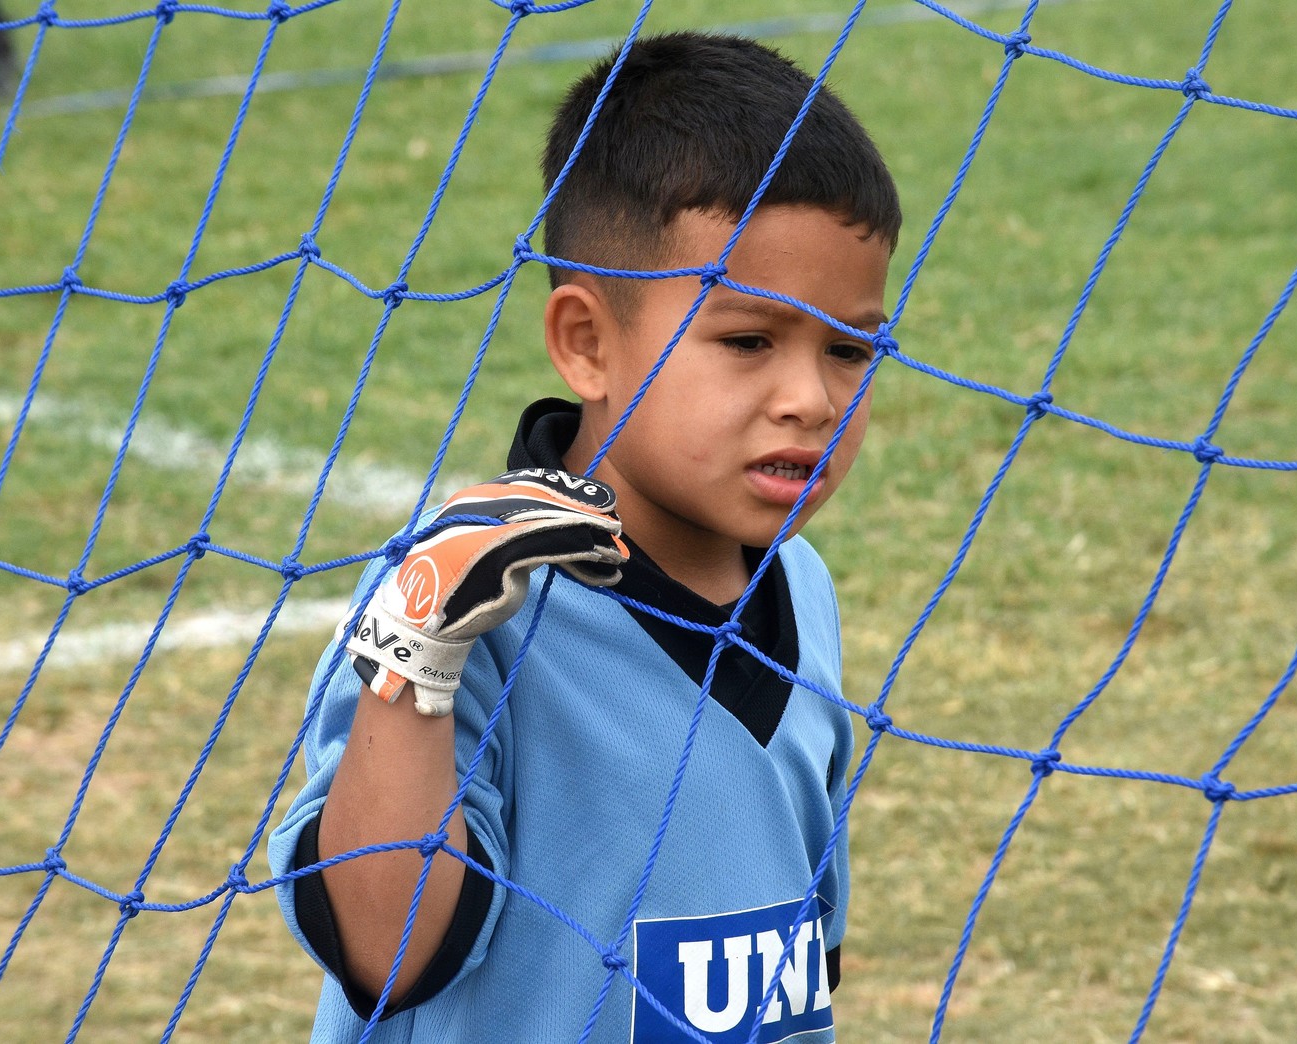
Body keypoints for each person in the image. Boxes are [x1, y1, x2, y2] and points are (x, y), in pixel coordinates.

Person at [268, 30, 902, 1043]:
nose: (809, 398)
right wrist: (415, 654)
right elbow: (382, 956)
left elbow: (805, 939)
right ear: (585, 343)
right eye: (746, 342)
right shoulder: (465, 603)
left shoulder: (802, 584)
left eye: (849, 350)